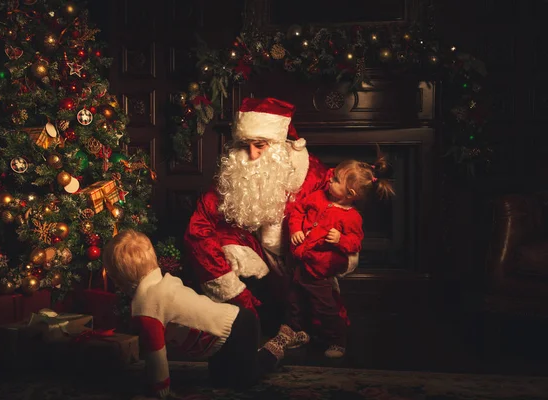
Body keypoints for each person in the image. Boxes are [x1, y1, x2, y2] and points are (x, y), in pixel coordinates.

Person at [184, 97, 332, 335]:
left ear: (280, 144)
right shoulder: (233, 175)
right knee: (232, 253)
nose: (251, 155)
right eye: (245, 145)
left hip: (299, 267)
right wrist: (233, 290)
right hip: (258, 278)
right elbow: (199, 228)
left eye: (260, 145)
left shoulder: (311, 174)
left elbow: (337, 219)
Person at [103, 229, 287, 398]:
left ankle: (271, 353)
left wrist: (160, 391)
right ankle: (243, 360)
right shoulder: (165, 282)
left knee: (245, 379)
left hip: (238, 328)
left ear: (117, 279)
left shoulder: (146, 307)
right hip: (223, 333)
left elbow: (156, 356)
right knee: (219, 378)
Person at [277, 150, 396, 359]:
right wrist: (295, 229)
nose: (328, 179)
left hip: (319, 270)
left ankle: (337, 340)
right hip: (299, 263)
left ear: (350, 193)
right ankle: (297, 331)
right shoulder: (319, 197)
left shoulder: (351, 218)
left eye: (335, 179)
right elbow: (298, 211)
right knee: (294, 300)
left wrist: (340, 239)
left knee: (325, 308)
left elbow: (355, 243)